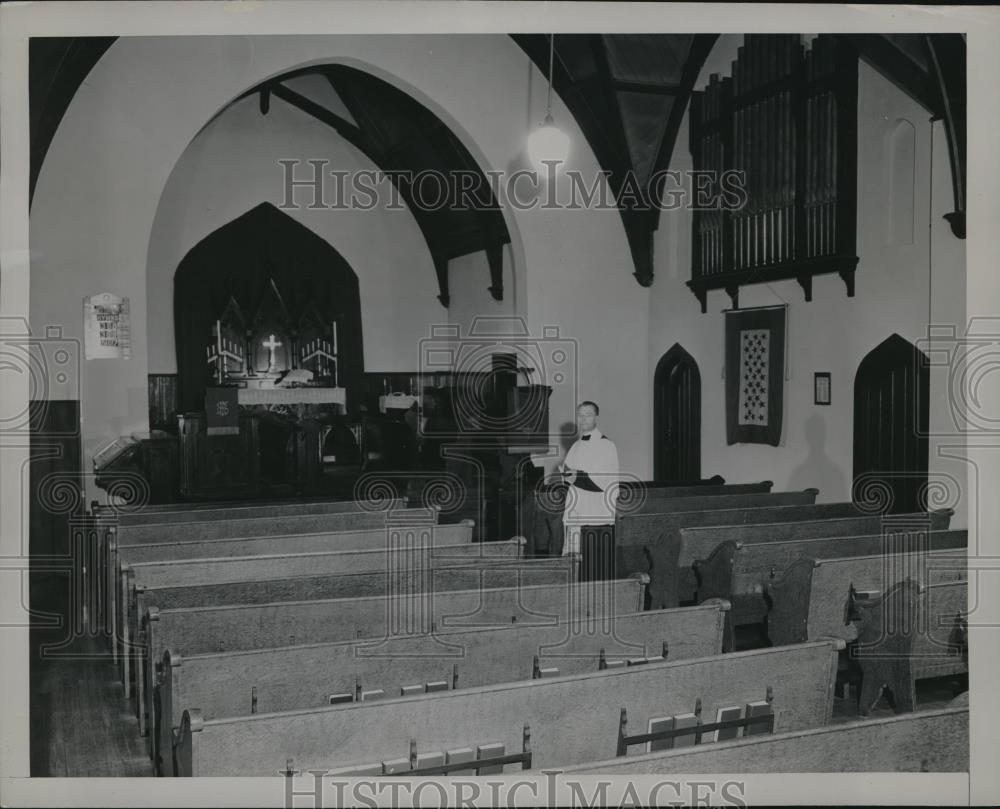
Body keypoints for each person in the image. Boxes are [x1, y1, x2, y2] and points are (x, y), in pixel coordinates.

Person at [560, 401, 619, 578]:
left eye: (588, 415)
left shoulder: (606, 445)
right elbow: (569, 473)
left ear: (596, 418)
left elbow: (602, 480)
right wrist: (567, 476)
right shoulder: (576, 445)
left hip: (594, 512)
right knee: (574, 562)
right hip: (577, 508)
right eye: (581, 415)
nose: (584, 419)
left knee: (592, 566)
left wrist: (576, 476)